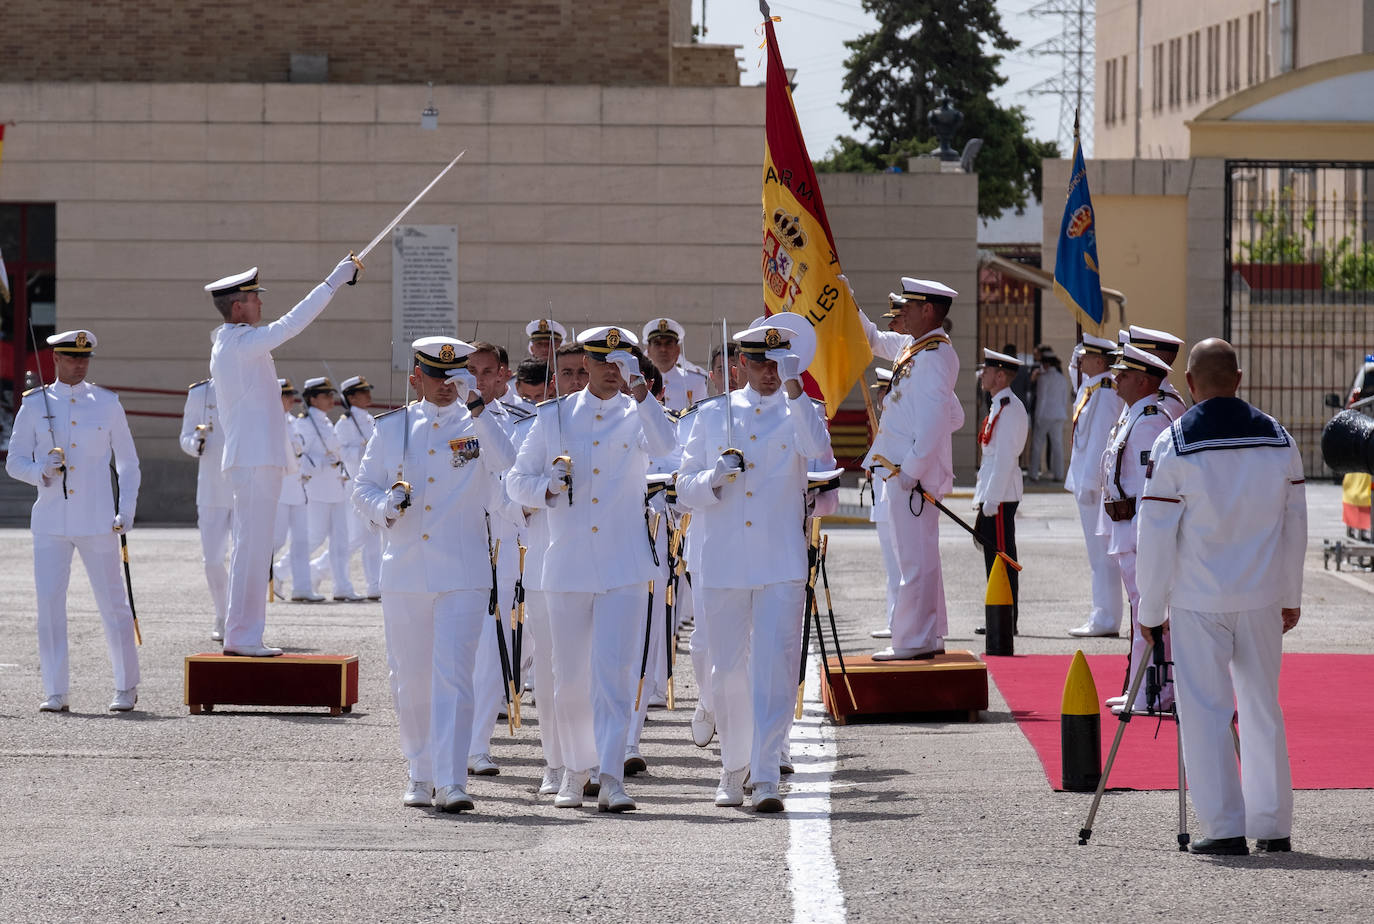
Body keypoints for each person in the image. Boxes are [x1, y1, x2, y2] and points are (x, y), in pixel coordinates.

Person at [1137, 338, 1305, 856]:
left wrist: (1149, 608)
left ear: (1189, 383)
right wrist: (1289, 593)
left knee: (1207, 711)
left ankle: (1225, 827)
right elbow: (1294, 527)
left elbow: (1156, 534)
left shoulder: (1175, 441)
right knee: (1262, 708)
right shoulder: (1279, 439)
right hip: (1260, 597)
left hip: (1198, 598)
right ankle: (1274, 825)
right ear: (1239, 377)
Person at [506, 324, 677, 813]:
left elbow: (666, 447)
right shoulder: (555, 418)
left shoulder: (640, 414)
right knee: (569, 676)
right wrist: (547, 487)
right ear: (587, 366)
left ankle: (610, 775)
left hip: (623, 564)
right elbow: (515, 482)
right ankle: (573, 771)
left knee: (615, 673)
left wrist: (642, 392)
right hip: (568, 564)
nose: (609, 372)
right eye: (601, 363)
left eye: (619, 362)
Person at [352, 336, 515, 812]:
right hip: (405, 570)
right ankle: (419, 770)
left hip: (462, 568)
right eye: (437, 377)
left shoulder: (480, 421)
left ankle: (452, 779)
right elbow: (363, 487)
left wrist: (480, 410)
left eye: (455, 376)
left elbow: (509, 464)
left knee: (455, 675)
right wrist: (386, 506)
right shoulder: (393, 427)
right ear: (415, 379)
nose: (447, 386)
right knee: (410, 677)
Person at [677, 316, 831, 812]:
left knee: (776, 670)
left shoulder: (801, 410)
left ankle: (765, 774)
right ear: (741, 363)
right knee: (727, 671)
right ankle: (733, 767)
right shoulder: (712, 414)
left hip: (779, 561)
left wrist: (795, 388)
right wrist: (713, 478)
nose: (769, 371)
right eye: (761, 362)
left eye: (779, 361)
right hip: (723, 561)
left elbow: (819, 452)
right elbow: (682, 487)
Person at [207, 258, 357, 656]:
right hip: (255, 459)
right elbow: (292, 323)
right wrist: (332, 281)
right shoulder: (238, 342)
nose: (261, 304)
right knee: (254, 549)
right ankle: (243, 635)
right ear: (238, 306)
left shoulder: (234, 342)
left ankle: (243, 633)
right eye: (255, 298)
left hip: (257, 458)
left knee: (253, 549)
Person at [5, 329, 141, 712]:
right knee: (49, 606)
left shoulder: (107, 403)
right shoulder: (34, 404)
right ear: (56, 360)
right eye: (72, 358)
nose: (80, 364)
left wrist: (126, 508)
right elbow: (14, 461)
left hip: (98, 520)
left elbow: (128, 461)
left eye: (85, 358)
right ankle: (55, 691)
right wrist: (40, 470)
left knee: (114, 604)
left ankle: (126, 686)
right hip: (50, 521)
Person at [857, 276, 964, 660]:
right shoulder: (917, 347)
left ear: (928, 310)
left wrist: (914, 468)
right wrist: (845, 301)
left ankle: (913, 639)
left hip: (909, 474)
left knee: (914, 559)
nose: (900, 312)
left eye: (908, 306)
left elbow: (938, 417)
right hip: (904, 467)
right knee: (920, 556)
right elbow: (871, 340)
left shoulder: (935, 357)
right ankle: (929, 634)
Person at [1100, 344, 1177, 713]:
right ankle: (1139, 690)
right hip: (1126, 529)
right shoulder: (1133, 415)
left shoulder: (1149, 421)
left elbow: (1151, 489)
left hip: (1139, 531)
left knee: (1153, 613)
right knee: (1140, 612)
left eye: (1125, 374)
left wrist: (1149, 538)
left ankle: (1158, 693)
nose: (1117, 378)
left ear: (1144, 380)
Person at [1066, 335, 1127, 638]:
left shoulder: (1104, 393)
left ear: (1101, 362)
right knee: (1097, 555)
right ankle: (1101, 613)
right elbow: (1072, 370)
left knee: (1102, 555)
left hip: (1093, 485)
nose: (1080, 359)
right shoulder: (1091, 389)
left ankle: (1105, 617)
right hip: (1084, 481)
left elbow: (1101, 440)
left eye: (1086, 355)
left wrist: (1090, 482)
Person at [972, 349, 1028, 633]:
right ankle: (998, 615)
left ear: (1001, 375)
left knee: (1002, 559)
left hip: (1002, 495)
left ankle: (1006, 620)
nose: (983, 374)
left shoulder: (1010, 407)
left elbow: (1005, 459)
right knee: (993, 558)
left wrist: (991, 500)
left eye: (988, 370)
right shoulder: (998, 404)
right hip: (995, 492)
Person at [298, 377, 363, 602]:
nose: (331, 399)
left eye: (331, 395)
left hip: (336, 488)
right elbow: (300, 456)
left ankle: (342, 586)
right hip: (317, 489)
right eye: (325, 395)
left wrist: (339, 470)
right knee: (314, 538)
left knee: (341, 541)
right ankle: (280, 571)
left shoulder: (325, 422)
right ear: (312, 399)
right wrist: (322, 464)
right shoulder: (305, 424)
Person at [178, 375, 233, 640]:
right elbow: (185, 436)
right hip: (212, 488)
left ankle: (240, 616)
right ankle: (222, 612)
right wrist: (194, 444)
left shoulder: (253, 383)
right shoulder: (200, 393)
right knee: (212, 559)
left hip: (246, 486)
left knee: (245, 559)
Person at [272, 379, 320, 603]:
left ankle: (302, 588)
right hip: (279, 490)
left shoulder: (291, 421)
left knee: (301, 541)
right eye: (286, 395)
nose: (292, 399)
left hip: (298, 490)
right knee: (277, 540)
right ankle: (259, 578)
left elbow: (299, 453)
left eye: (292, 395)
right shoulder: (269, 421)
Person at [334, 375, 382, 600]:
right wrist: (362, 449)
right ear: (350, 397)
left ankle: (374, 586)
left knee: (371, 539)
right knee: (354, 539)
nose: (368, 395)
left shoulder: (370, 419)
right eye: (362, 392)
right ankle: (316, 570)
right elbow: (341, 453)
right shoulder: (344, 423)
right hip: (355, 486)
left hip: (373, 485)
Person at [642, 317, 709, 411]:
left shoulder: (695, 381)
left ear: (678, 349)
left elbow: (702, 417)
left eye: (668, 343)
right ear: (648, 349)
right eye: (657, 344)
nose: (663, 349)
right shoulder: (638, 380)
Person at [1028, 347, 1069, 482]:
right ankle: (1059, 474)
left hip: (1045, 415)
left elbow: (1041, 399)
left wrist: (1038, 416)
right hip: (1059, 415)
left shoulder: (1043, 379)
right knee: (1058, 446)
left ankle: (1033, 474)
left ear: (1046, 364)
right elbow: (1064, 400)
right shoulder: (1062, 379)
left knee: (1037, 444)